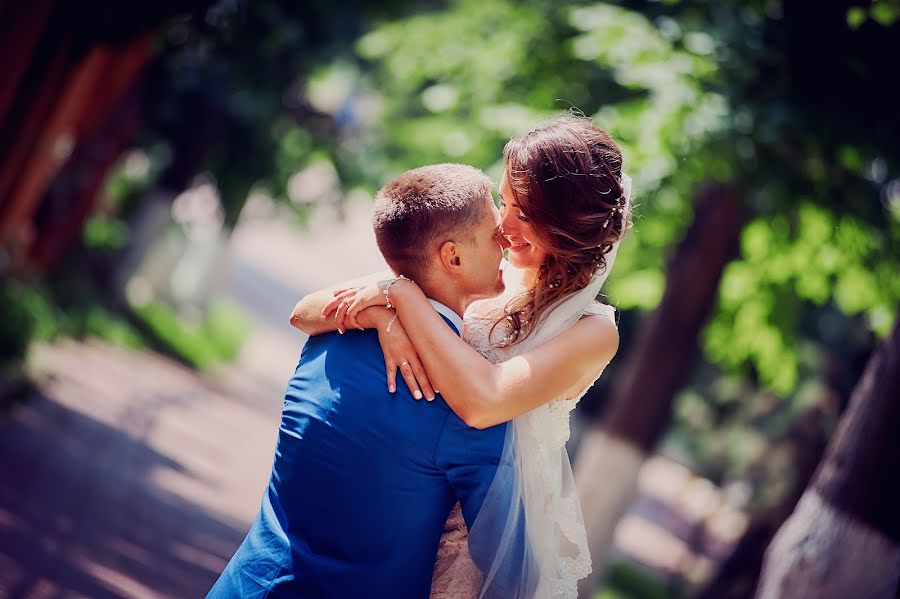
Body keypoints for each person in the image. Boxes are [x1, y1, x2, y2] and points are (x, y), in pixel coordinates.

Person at [291, 115, 632, 597]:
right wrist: (383, 318)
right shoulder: (481, 270)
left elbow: (485, 402)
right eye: (504, 202)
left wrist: (403, 299)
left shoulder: (593, 331)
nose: (502, 226)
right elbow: (307, 311)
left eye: (525, 214)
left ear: (568, 224)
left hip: (480, 539)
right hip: (406, 502)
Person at [206, 163, 529, 599]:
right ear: (452, 256)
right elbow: (509, 565)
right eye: (495, 235)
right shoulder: (467, 400)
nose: (505, 244)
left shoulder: (324, 341)